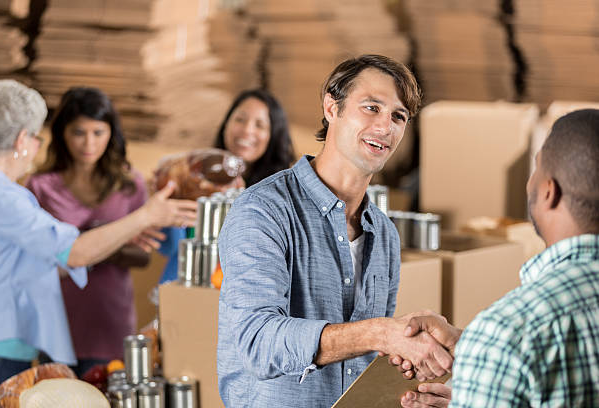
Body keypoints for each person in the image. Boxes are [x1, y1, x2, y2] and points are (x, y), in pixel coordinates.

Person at [217, 55, 454, 408]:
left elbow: (365, 363)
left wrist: (410, 391)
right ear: (332, 106)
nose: (385, 127)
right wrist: (381, 333)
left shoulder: (384, 235)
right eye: (371, 107)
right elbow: (257, 342)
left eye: (398, 116)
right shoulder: (264, 210)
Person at [0, 79, 196, 394]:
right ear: (21, 140)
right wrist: (146, 216)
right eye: (34, 138)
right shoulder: (2, 197)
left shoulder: (3, 193)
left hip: (22, 338)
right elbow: (73, 253)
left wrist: (112, 242)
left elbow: (33, 262)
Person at [399, 109, 599, 407]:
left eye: (537, 169)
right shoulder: (504, 337)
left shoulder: (507, 331)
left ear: (548, 192)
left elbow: (518, 344)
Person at [26, 87, 153, 377]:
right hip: (57, 319)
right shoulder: (40, 186)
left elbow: (144, 257)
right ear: (62, 134)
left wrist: (93, 248)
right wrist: (105, 243)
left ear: (111, 133)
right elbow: (36, 258)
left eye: (98, 132)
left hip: (110, 317)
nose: (89, 143)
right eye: (78, 132)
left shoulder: (130, 184)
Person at [158, 89, 295, 283]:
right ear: (226, 125)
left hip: (242, 301)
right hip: (184, 293)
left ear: (273, 136)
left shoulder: (282, 195)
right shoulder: (195, 178)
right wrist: (171, 197)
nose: (247, 130)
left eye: (260, 125)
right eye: (240, 119)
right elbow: (169, 248)